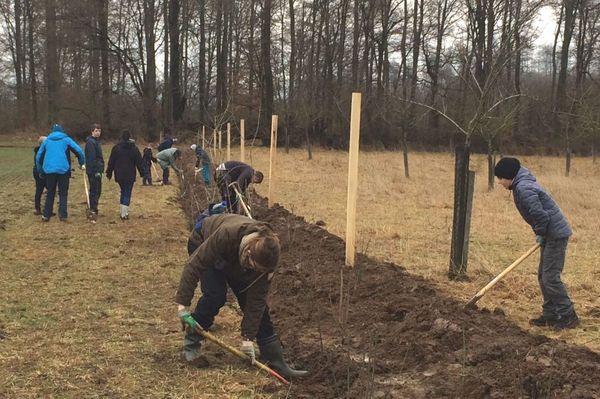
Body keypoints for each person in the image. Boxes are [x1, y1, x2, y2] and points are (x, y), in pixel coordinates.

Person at [175, 213, 308, 378]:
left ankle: (274, 358)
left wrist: (248, 339)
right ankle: (192, 343)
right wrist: (183, 305)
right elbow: (194, 265)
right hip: (203, 240)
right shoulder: (227, 234)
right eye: (254, 267)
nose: (255, 272)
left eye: (259, 270)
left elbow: (256, 301)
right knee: (215, 294)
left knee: (253, 301)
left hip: (237, 258)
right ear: (249, 252)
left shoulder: (268, 261)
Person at [494, 157, 578, 330]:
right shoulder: (521, 185)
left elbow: (540, 215)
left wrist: (541, 233)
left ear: (509, 176)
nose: (499, 182)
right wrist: (541, 233)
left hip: (555, 235)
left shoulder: (524, 188)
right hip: (550, 233)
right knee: (543, 276)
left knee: (550, 278)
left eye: (500, 178)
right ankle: (551, 314)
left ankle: (568, 316)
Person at [35, 123, 85, 222]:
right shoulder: (66, 139)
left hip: (49, 170)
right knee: (63, 193)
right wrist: (81, 162)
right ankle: (63, 215)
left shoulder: (47, 141)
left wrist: (40, 170)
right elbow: (79, 151)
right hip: (63, 170)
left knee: (50, 192)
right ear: (62, 131)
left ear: (52, 131)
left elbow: (38, 156)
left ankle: (46, 215)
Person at [105, 130, 144, 220]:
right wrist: (142, 173)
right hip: (130, 174)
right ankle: (124, 213)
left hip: (119, 174)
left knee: (123, 191)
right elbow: (139, 162)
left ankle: (123, 211)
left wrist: (109, 172)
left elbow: (111, 161)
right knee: (127, 192)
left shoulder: (116, 148)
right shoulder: (134, 148)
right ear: (130, 137)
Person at [84, 123, 104, 222]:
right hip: (93, 171)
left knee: (98, 190)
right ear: (92, 131)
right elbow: (92, 158)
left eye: (99, 131)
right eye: (96, 131)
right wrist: (96, 171)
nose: (98, 133)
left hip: (98, 170)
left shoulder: (96, 142)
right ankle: (93, 209)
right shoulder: (91, 143)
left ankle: (94, 207)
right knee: (95, 190)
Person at [33, 136, 47, 215]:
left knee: (40, 191)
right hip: (40, 173)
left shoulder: (39, 151)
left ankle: (44, 208)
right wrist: (41, 172)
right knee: (40, 190)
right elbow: (39, 163)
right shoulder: (40, 152)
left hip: (39, 172)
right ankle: (39, 209)